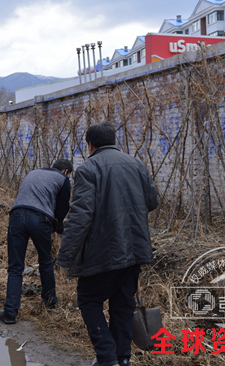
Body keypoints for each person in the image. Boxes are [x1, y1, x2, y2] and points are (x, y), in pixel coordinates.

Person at [57, 122, 159, 366]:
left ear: (90, 145)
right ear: (114, 140)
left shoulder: (88, 169)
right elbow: (152, 201)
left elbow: (81, 216)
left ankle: (107, 357)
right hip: (134, 249)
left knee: (88, 299)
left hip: (103, 252)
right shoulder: (137, 164)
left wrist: (65, 256)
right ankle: (122, 359)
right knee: (123, 305)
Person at [0, 159, 73, 325]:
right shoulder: (63, 180)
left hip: (16, 216)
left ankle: (10, 312)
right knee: (45, 261)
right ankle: (49, 301)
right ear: (66, 171)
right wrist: (58, 227)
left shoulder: (34, 173)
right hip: (39, 219)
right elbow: (62, 209)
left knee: (15, 266)